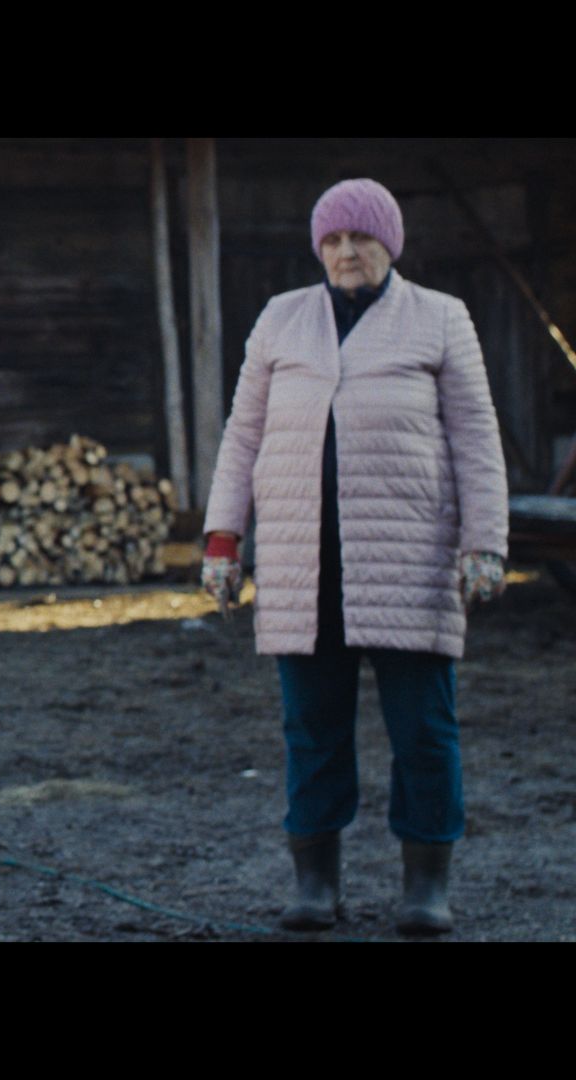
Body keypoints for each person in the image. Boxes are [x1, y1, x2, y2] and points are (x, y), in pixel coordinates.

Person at [201, 178, 508, 936]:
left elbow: (476, 435)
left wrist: (485, 542)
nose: (346, 252)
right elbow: (243, 436)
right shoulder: (282, 319)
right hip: (303, 566)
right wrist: (222, 539)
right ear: (319, 248)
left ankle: (425, 887)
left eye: (361, 239)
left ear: (389, 245)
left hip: (410, 563)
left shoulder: (440, 318)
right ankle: (316, 884)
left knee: (424, 732)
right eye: (333, 240)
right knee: (312, 730)